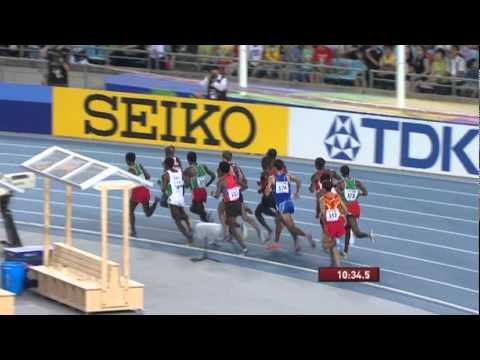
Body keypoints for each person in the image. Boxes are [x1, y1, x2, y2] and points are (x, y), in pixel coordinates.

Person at [265, 159, 314, 252]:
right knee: (278, 221)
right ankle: (276, 243)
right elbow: (298, 180)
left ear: (274, 168)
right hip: (289, 203)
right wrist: (297, 192)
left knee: (291, 227)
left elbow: (267, 193)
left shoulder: (272, 178)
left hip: (282, 206)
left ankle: (306, 235)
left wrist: (268, 189)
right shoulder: (288, 176)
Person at [221, 151, 263, 242]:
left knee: (234, 217)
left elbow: (224, 180)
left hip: (231, 194)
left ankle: (238, 230)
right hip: (235, 192)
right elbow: (243, 178)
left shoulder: (225, 167)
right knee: (231, 216)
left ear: (224, 158)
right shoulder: (236, 165)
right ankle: (231, 234)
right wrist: (240, 188)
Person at [336, 165, 375, 259]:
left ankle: (369, 235)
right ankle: (345, 252)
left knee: (357, 233)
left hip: (348, 210)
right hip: (355, 207)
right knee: (347, 230)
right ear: (349, 172)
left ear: (341, 173)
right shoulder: (356, 182)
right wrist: (358, 194)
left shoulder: (340, 183)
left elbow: (337, 196)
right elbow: (366, 193)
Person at [211, 161, 248, 255]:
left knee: (232, 229)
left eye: (218, 169)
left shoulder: (221, 182)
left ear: (221, 171)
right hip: (238, 202)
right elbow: (245, 186)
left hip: (231, 205)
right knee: (228, 222)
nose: (217, 170)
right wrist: (237, 190)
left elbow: (216, 196)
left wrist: (212, 194)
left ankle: (244, 248)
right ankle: (231, 233)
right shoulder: (233, 177)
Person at [125, 152, 159, 237]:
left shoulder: (130, 170)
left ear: (127, 161)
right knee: (147, 213)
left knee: (130, 211)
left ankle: (133, 231)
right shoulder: (139, 165)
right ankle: (155, 202)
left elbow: (129, 183)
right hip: (145, 190)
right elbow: (148, 177)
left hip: (137, 191)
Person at [161, 157, 193, 245]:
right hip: (180, 198)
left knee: (177, 220)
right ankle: (190, 227)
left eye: (164, 164)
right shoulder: (179, 172)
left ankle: (189, 237)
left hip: (173, 199)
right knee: (182, 214)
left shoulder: (165, 175)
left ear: (166, 165)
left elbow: (163, 189)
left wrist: (161, 183)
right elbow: (186, 183)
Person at [319, 178, 348, 267]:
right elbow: (345, 209)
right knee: (332, 244)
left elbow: (323, 214)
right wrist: (342, 216)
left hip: (330, 224)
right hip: (338, 223)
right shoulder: (337, 196)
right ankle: (333, 263)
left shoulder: (322, 199)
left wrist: (324, 225)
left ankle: (339, 264)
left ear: (323, 189)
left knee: (326, 245)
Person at [183, 151, 216, 222]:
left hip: (196, 192)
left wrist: (182, 185)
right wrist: (207, 184)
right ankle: (207, 224)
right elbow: (213, 176)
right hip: (204, 191)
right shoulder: (203, 166)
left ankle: (207, 213)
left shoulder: (188, 170)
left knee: (193, 209)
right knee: (202, 215)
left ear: (188, 159)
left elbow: (187, 185)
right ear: (196, 158)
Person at [255, 148, 279, 241]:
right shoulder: (278, 165)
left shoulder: (265, 168)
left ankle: (270, 229)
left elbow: (267, 179)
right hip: (278, 194)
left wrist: (261, 189)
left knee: (258, 212)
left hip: (269, 195)